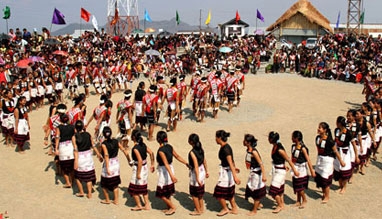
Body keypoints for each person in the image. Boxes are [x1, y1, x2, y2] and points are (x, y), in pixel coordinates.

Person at [155, 131, 188, 215]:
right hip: (170, 168)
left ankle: (172, 207)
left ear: (158, 139)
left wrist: (172, 176)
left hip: (165, 171)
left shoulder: (161, 151)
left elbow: (165, 164)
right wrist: (186, 163)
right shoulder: (169, 147)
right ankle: (169, 207)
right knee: (168, 191)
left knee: (161, 193)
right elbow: (177, 156)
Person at [268, 131, 299, 213]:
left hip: (280, 171)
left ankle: (280, 205)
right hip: (277, 169)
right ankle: (282, 204)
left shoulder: (280, 149)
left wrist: (294, 170)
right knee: (280, 190)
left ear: (272, 139)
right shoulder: (275, 146)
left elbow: (288, 159)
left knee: (273, 191)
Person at [99, 126, 131, 205]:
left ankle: (107, 199)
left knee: (104, 183)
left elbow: (106, 155)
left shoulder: (103, 144)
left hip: (109, 163)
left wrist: (107, 167)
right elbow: (124, 150)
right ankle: (116, 200)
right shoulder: (116, 141)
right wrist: (129, 160)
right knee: (115, 183)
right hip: (116, 163)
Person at [314, 122, 344, 203]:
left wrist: (341, 161)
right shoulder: (317, 138)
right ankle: (324, 193)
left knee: (325, 178)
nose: (318, 129)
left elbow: (335, 151)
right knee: (320, 177)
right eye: (318, 127)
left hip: (327, 161)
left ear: (325, 130)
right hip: (320, 159)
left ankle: (327, 196)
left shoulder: (329, 141)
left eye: (320, 128)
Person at [213, 130, 240, 216]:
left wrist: (235, 176)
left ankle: (225, 208)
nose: (215, 139)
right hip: (228, 171)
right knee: (229, 191)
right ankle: (234, 208)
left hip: (226, 173)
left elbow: (230, 161)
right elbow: (232, 161)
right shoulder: (227, 147)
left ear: (219, 138)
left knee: (219, 192)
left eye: (216, 137)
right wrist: (234, 169)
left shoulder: (225, 149)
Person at [72, 120, 103, 198]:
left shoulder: (74, 137)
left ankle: (81, 191)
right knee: (88, 176)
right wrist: (98, 154)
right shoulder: (87, 134)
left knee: (78, 176)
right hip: (88, 156)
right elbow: (93, 146)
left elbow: (75, 150)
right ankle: (89, 193)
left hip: (80, 157)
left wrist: (75, 161)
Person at [127, 130, 155, 211]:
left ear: (133, 138)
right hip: (145, 167)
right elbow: (151, 153)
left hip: (139, 168)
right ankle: (146, 204)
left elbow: (139, 160)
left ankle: (139, 205)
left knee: (134, 188)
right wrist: (152, 164)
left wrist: (138, 173)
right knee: (143, 187)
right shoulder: (143, 145)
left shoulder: (135, 148)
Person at [290, 130, 315, 208]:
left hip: (301, 169)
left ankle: (304, 200)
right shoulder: (293, 147)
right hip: (295, 167)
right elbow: (292, 158)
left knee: (300, 186)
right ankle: (298, 201)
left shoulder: (303, 148)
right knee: (296, 185)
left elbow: (308, 160)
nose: (291, 138)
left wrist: (312, 171)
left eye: (292, 137)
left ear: (296, 138)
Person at [243, 134, 266, 216]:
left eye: (245, 140)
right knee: (250, 188)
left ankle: (254, 210)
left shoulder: (254, 152)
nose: (243, 142)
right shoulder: (249, 150)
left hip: (256, 174)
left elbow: (261, 163)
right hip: (253, 173)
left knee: (256, 191)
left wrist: (264, 175)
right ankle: (258, 204)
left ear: (248, 142)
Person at [188, 133, 209, 216]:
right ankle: (201, 208)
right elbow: (204, 161)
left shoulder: (192, 153)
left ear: (191, 142)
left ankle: (197, 210)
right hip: (202, 170)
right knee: (200, 193)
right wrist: (207, 171)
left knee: (194, 193)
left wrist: (197, 178)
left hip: (196, 172)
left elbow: (195, 166)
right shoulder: (201, 149)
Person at [333, 116, 354, 194]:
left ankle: (344, 187)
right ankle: (340, 186)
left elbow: (353, 144)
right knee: (337, 170)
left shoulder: (348, 133)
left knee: (344, 170)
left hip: (345, 153)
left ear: (339, 123)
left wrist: (356, 155)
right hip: (337, 152)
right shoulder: (336, 131)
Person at [55, 114, 75, 188]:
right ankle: (72, 181)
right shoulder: (72, 127)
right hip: (71, 146)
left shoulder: (59, 128)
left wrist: (56, 148)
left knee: (64, 167)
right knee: (71, 166)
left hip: (63, 147)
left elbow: (57, 137)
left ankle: (67, 182)